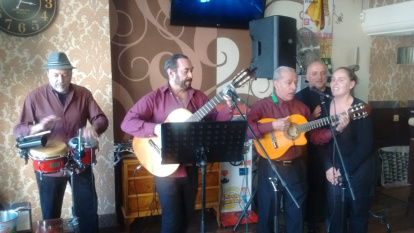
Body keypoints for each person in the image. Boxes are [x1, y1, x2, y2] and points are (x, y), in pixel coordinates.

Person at [120, 54, 235, 233]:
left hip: (191, 165)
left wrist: (228, 106)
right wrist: (157, 129)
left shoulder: (199, 97)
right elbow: (127, 123)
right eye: (186, 71)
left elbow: (215, 121)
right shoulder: (155, 98)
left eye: (191, 71)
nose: (190, 75)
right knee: (172, 220)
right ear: (171, 73)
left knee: (188, 217)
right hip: (164, 166)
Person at [13, 52, 109, 233]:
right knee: (51, 214)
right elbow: (18, 130)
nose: (61, 79)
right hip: (50, 165)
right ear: (48, 73)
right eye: (56, 74)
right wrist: (37, 127)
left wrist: (94, 128)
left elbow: (101, 119)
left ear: (71, 74)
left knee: (88, 209)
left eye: (65, 74)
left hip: (80, 160)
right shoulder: (34, 97)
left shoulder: (83, 94)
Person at [246, 66, 313, 233]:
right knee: (267, 212)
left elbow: (313, 136)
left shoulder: (302, 109)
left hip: (296, 167)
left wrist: (334, 130)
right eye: (288, 82)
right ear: (276, 83)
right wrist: (272, 125)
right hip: (270, 166)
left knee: (296, 212)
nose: (293, 87)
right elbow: (247, 130)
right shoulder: (262, 106)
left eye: (295, 82)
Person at [310, 67, 376, 233]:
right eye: (333, 79)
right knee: (335, 216)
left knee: (358, 217)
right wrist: (328, 168)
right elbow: (319, 141)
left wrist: (344, 170)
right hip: (333, 170)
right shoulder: (324, 107)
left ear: (351, 84)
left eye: (341, 79)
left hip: (358, 171)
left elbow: (366, 145)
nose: (335, 83)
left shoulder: (360, 108)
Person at [295, 61, 332, 233]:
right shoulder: (300, 97)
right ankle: (311, 221)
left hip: (332, 148)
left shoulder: (334, 94)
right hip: (309, 152)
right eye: (315, 73)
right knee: (313, 185)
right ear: (308, 77)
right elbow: (295, 127)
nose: (319, 76)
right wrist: (310, 118)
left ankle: (330, 216)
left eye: (323, 73)